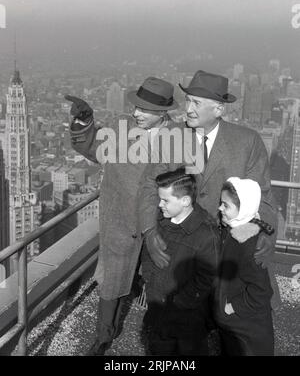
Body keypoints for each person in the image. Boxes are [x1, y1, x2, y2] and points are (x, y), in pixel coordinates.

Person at [138, 70, 281, 311]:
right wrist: (149, 232)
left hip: (228, 247)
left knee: (230, 320)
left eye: (197, 103)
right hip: (180, 247)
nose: (189, 109)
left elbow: (262, 195)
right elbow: (149, 187)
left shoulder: (248, 142)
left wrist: (265, 231)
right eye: (188, 101)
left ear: (218, 109)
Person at [65, 77, 180, 355]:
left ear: (163, 113)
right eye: (136, 107)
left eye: (145, 110)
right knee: (111, 280)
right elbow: (90, 148)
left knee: (159, 280)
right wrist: (84, 122)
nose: (136, 113)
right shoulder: (120, 126)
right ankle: (104, 335)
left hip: (156, 223)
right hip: (119, 219)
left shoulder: (179, 137)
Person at [142, 168, 218, 355]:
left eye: (165, 200)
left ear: (185, 201)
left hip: (187, 322)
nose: (160, 205)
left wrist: (180, 302)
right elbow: (148, 256)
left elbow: (208, 278)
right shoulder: (161, 222)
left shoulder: (206, 235)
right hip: (158, 312)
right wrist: (151, 284)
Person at [214, 177, 275, 356]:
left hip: (247, 334)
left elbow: (261, 292)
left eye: (226, 205)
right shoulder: (237, 228)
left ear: (243, 209)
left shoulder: (248, 245)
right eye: (220, 203)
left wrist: (231, 307)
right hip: (234, 327)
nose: (220, 209)